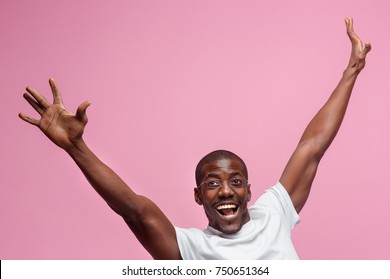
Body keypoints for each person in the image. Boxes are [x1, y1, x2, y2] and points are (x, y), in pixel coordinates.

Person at [19, 18, 371, 259]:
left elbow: (311, 147)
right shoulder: (188, 248)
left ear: (250, 190)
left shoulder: (274, 213)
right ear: (198, 195)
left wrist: (351, 71)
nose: (226, 190)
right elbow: (134, 210)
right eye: (213, 183)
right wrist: (76, 148)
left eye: (235, 181)